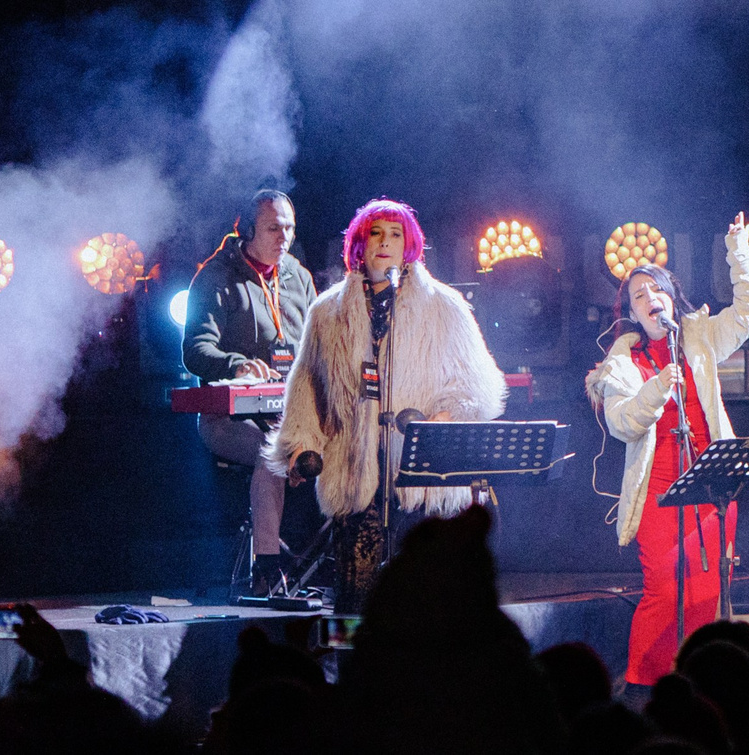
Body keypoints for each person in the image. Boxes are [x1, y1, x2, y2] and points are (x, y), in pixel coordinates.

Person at [266, 199, 509, 611]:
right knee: (354, 606)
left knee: (428, 599)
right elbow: (305, 387)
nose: (385, 242)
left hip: (424, 479)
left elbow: (478, 385)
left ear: (410, 245)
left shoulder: (445, 306)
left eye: (396, 234)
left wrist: (439, 422)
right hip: (357, 473)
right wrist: (302, 444)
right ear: (359, 244)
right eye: (376, 232)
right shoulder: (327, 313)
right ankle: (354, 672)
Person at [586, 213, 749, 689]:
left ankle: (700, 688)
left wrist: (738, 248)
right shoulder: (623, 361)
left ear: (673, 297)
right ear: (630, 310)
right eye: (639, 296)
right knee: (665, 592)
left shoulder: (701, 338)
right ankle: (644, 691)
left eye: (657, 290)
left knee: (706, 595)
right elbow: (621, 422)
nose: (651, 299)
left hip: (712, 483)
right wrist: (654, 392)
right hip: (658, 492)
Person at [184, 188, 317, 593]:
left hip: (291, 415)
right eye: (274, 228)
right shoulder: (216, 276)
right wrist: (236, 365)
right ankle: (267, 569)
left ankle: (337, 561)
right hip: (228, 420)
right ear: (247, 230)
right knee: (269, 453)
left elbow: (319, 345)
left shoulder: (298, 277)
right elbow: (194, 350)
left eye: (289, 229)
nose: (284, 238)